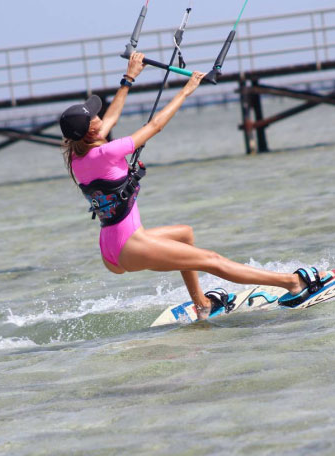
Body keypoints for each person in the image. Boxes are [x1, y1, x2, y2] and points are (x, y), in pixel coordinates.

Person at [60, 52, 331, 319]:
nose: (100, 116)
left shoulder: (77, 156)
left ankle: (201, 303)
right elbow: (154, 125)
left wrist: (129, 78)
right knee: (212, 260)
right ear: (90, 131)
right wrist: (186, 91)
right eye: (95, 117)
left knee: (184, 234)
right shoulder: (107, 153)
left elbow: (110, 121)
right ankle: (293, 284)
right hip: (129, 245)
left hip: (110, 246)